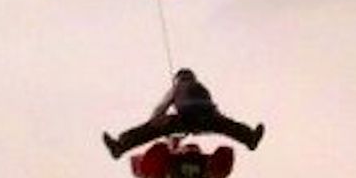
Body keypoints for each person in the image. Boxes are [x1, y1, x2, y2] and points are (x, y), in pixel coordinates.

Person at [102, 68, 265, 159]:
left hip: (186, 118)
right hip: (208, 118)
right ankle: (250, 138)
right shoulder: (201, 87)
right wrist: (218, 122)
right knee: (230, 126)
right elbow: (215, 111)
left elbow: (162, 108)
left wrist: (154, 123)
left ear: (178, 79)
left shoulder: (177, 87)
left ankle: (120, 146)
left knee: (147, 131)